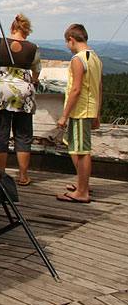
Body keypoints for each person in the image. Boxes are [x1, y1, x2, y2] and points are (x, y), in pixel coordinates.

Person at [0, 14, 42, 186]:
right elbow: (36, 71)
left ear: (12, 28)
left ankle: (1, 174)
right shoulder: (33, 48)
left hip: (2, 93)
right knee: (23, 135)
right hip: (24, 94)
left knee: (1, 133)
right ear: (27, 30)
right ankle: (23, 176)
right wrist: (31, 81)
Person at [56, 23, 102, 204]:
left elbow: (75, 89)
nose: (68, 46)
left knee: (82, 152)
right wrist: (97, 114)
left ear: (72, 40)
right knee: (76, 148)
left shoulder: (78, 59)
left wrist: (64, 116)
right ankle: (82, 184)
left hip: (80, 110)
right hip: (89, 108)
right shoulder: (96, 58)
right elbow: (99, 88)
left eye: (67, 42)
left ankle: (82, 192)